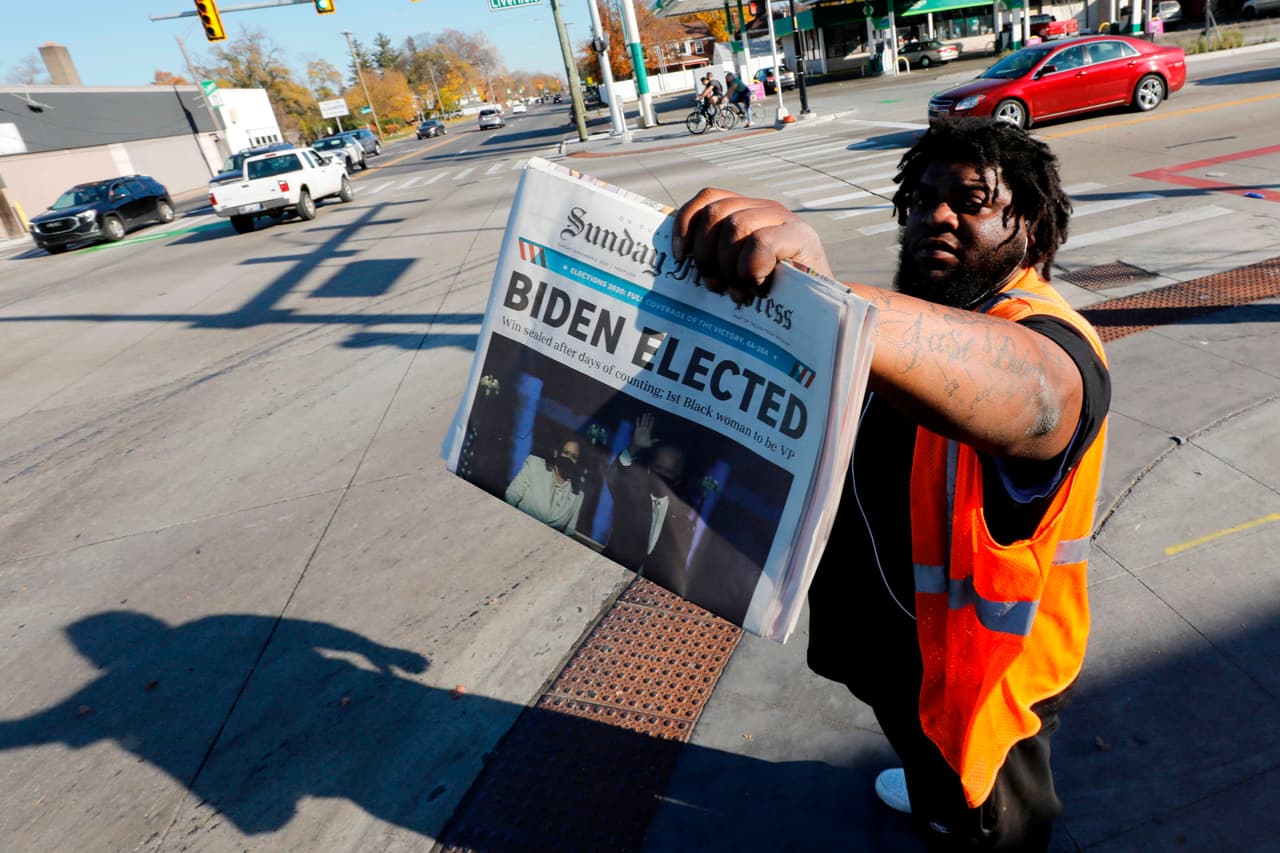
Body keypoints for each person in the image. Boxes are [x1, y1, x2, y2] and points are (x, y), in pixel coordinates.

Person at [671, 117, 1110, 851]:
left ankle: (958, 814)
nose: (937, 215)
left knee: (987, 824)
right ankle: (928, 781)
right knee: (920, 748)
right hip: (902, 655)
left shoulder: (1047, 334)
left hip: (983, 684)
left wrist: (823, 304)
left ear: (1031, 227)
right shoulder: (931, 313)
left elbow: (1039, 391)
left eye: (971, 202)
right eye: (923, 199)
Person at [600, 413, 697, 597]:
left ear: (678, 479)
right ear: (649, 468)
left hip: (645, 595)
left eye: (669, 472)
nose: (662, 475)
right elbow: (614, 476)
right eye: (658, 468)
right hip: (606, 577)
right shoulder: (632, 494)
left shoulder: (682, 518)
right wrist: (634, 447)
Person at [504, 437, 585, 534]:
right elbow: (511, 497)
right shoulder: (535, 465)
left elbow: (569, 532)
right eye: (565, 452)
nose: (568, 459)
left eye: (574, 457)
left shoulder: (578, 495)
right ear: (556, 453)